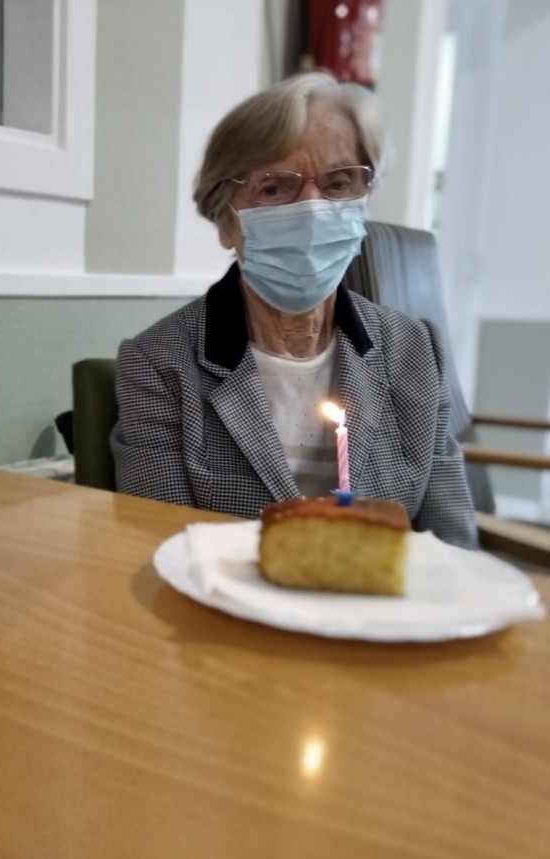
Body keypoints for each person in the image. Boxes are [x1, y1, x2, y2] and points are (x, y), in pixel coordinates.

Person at [110, 71, 477, 548]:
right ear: (226, 223)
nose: (312, 210)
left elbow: (453, 544)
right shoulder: (158, 365)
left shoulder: (417, 350)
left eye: (338, 183)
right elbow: (162, 546)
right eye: (273, 188)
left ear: (363, 204)